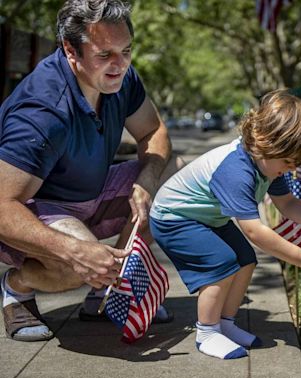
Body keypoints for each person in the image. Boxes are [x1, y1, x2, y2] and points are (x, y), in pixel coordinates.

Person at [0, 0, 182, 342]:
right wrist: (75, 252)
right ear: (71, 50)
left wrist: (145, 180)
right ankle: (17, 285)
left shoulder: (121, 77)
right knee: (76, 266)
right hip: (34, 210)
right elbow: (1, 206)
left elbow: (154, 130)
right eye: (105, 54)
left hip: (91, 196)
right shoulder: (42, 113)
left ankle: (110, 286)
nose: (120, 64)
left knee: (175, 176)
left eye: (126, 50)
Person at [149, 90, 301, 360]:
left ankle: (225, 324)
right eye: (288, 162)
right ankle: (206, 331)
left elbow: (286, 204)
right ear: (263, 140)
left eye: (295, 163)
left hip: (206, 217)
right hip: (174, 218)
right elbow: (254, 231)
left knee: (245, 260)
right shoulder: (236, 171)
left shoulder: (269, 163)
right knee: (221, 265)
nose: (289, 169)